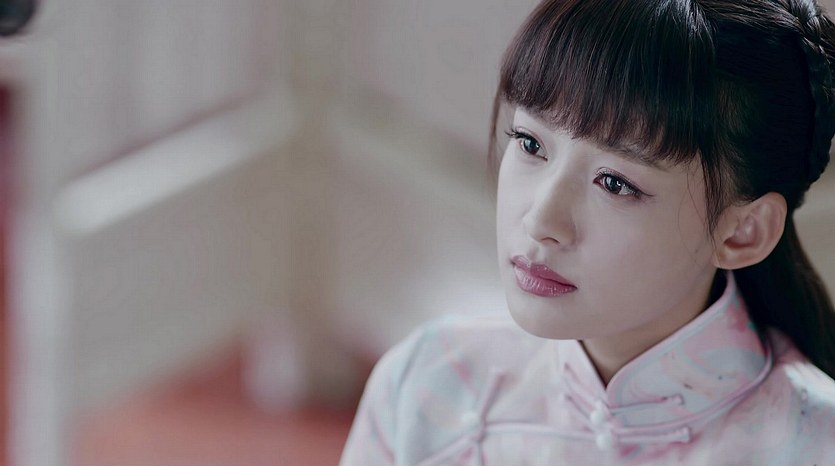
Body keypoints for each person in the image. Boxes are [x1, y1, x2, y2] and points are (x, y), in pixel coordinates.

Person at [340, 0, 835, 464]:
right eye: (530, 143)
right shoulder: (428, 384)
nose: (540, 222)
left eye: (614, 183)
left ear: (743, 232)